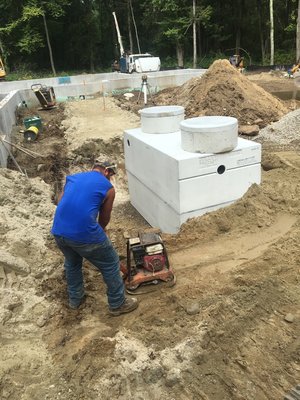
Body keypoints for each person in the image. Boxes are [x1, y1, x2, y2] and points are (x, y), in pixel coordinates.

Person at [51, 158, 138, 316]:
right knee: (111, 263)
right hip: (83, 233)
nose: (110, 179)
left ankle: (75, 300)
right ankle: (117, 304)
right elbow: (104, 218)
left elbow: (60, 202)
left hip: (59, 231)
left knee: (72, 263)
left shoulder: (73, 178)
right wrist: (101, 229)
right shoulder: (108, 188)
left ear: (93, 168)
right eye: (110, 175)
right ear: (106, 171)